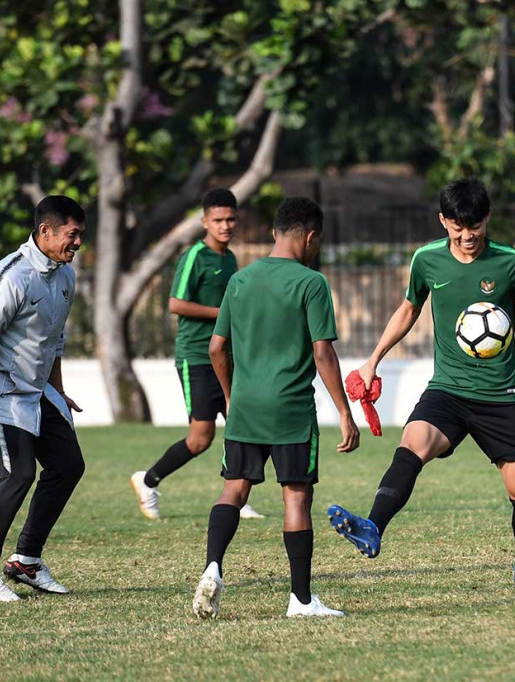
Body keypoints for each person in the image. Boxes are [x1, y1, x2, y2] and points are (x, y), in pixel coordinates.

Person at [327, 177, 515, 591]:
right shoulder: (427, 260)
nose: (467, 236)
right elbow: (408, 310)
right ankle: (373, 526)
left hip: (498, 396)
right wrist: (373, 360)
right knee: (412, 443)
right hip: (447, 389)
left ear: (487, 219)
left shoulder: (511, 262)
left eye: (475, 226)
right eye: (458, 227)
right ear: (443, 221)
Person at [192, 197, 360, 619]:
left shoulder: (240, 280)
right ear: (311, 237)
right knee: (296, 497)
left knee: (234, 488)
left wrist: (231, 397)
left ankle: (213, 566)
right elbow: (322, 353)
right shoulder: (311, 283)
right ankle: (300, 600)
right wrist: (344, 411)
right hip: (290, 409)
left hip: (246, 406)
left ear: (273, 233)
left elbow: (216, 348)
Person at [0, 195, 87, 602]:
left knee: (68, 466)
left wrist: (60, 391)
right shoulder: (10, 276)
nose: (78, 243)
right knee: (17, 476)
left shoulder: (65, 275)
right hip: (0, 392)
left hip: (39, 392)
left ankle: (27, 560)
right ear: (45, 231)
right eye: (72, 234)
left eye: (81, 235)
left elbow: (54, 341)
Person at [130, 188, 262, 521]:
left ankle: (237, 496)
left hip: (226, 358)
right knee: (201, 438)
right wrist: (222, 313)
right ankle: (148, 481)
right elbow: (176, 303)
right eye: (218, 220)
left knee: (243, 425)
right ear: (204, 221)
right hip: (196, 358)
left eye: (231, 219)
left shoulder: (229, 258)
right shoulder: (194, 257)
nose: (226, 225)